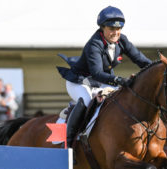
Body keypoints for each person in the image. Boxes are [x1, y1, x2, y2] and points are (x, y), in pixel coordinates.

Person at [56, 6, 152, 147]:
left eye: (118, 29)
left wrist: (159, 67)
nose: (116, 32)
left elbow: (140, 59)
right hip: (80, 81)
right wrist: (118, 80)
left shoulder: (122, 40)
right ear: (102, 28)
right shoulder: (94, 44)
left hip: (101, 81)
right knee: (87, 101)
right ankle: (69, 145)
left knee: (119, 99)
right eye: (111, 29)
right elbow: (96, 73)